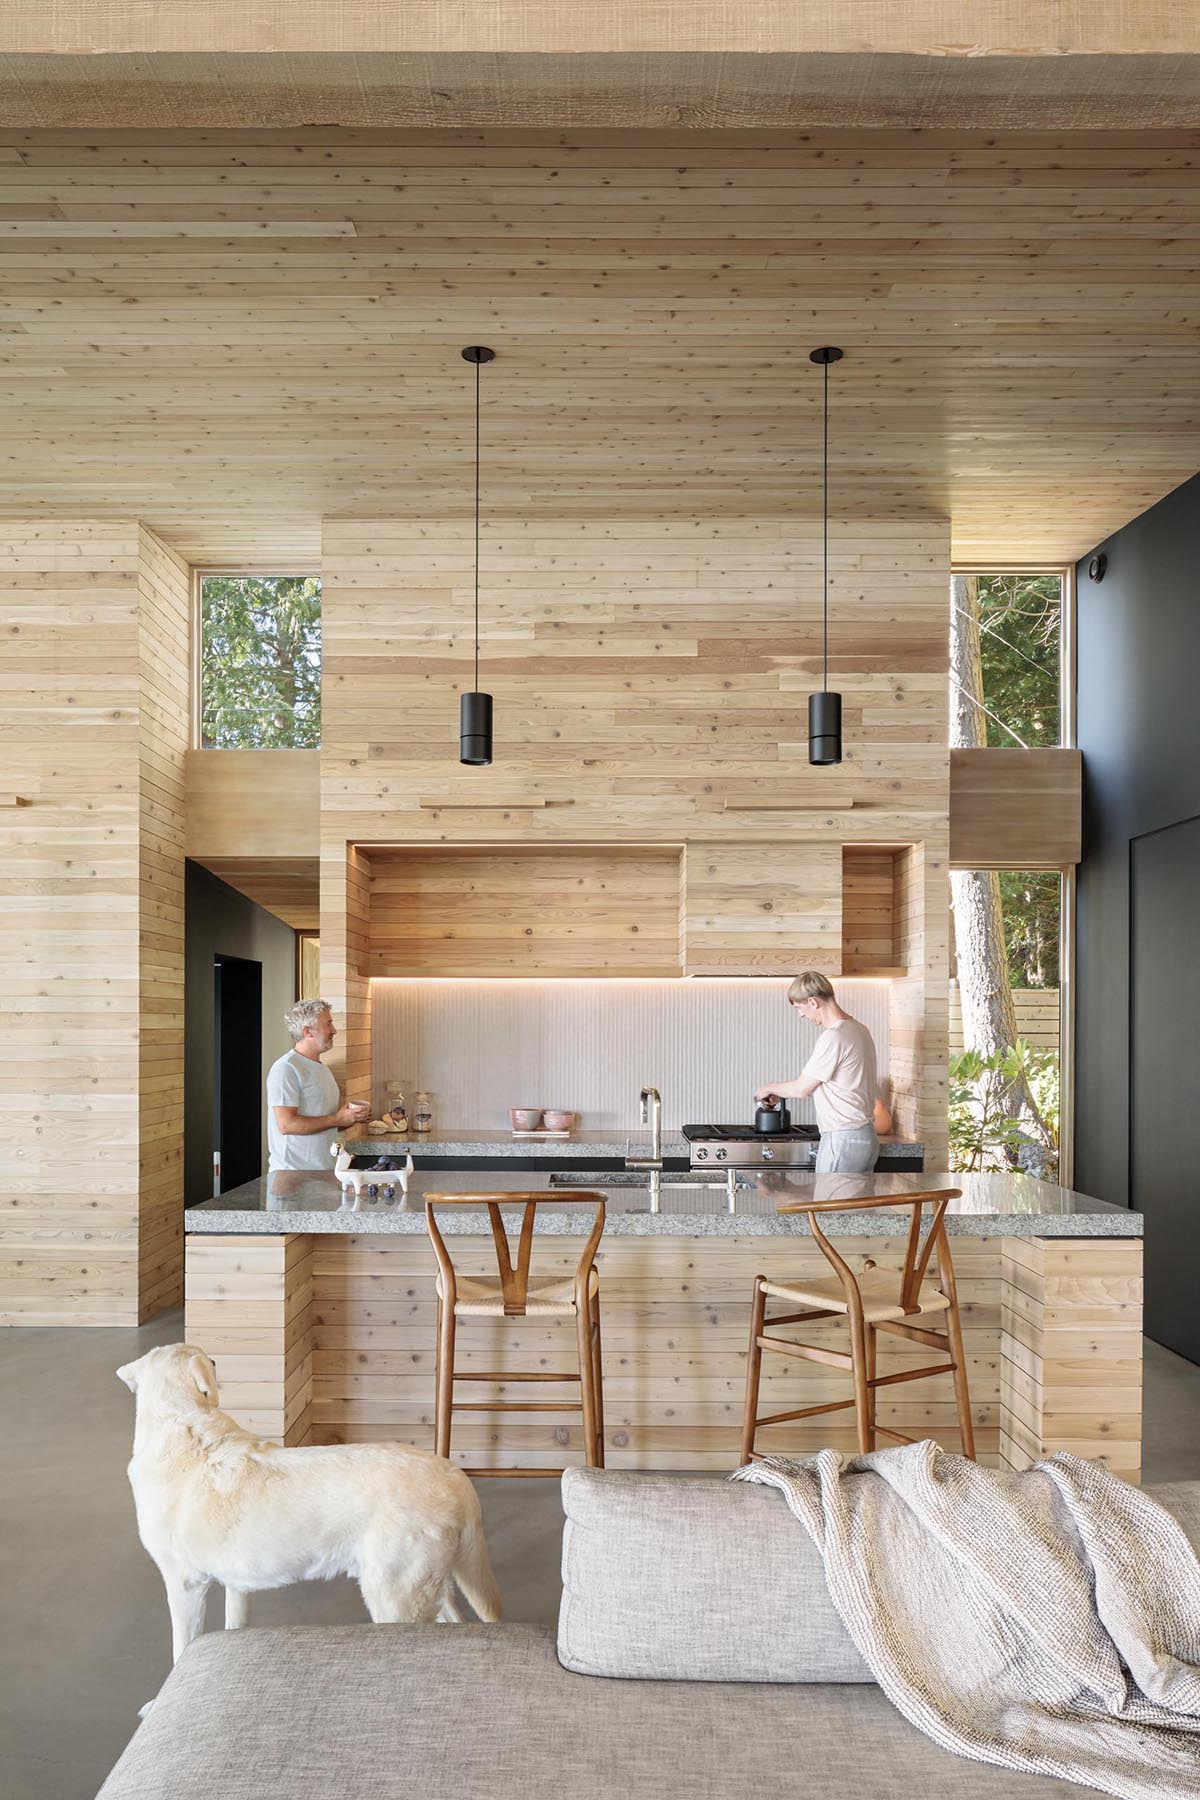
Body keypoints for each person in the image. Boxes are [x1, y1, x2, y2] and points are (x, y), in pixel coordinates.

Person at [754, 971, 880, 1173]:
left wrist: (767, 1088)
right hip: (865, 1137)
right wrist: (779, 1094)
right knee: (854, 1204)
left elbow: (802, 1089)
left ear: (813, 1002)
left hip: (842, 1139)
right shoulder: (859, 1030)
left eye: (799, 1008)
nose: (800, 1015)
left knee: (828, 1203)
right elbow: (833, 1084)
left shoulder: (834, 1037)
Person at [267, 999, 369, 1173]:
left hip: (322, 1173)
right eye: (328, 1024)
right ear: (307, 1032)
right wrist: (338, 1119)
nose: (334, 1030)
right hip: (292, 1176)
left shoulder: (322, 1069)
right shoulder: (286, 1068)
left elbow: (323, 1123)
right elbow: (286, 1124)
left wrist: (349, 1118)